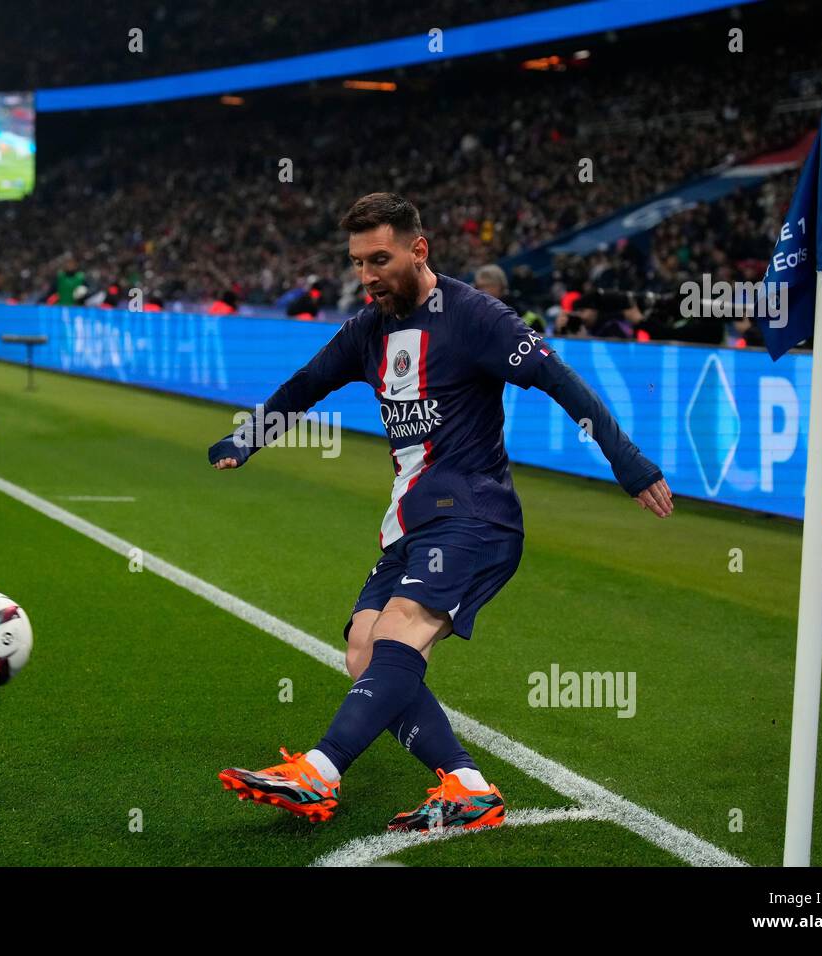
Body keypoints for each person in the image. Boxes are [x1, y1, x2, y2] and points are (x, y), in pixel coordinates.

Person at [208, 193, 672, 832]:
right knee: (363, 652)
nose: (367, 276)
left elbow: (560, 378)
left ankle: (319, 770)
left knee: (400, 628)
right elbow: (304, 385)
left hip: (475, 513)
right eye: (357, 263)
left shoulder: (476, 316)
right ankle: (467, 785)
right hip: (411, 520)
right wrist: (248, 437)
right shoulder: (368, 328)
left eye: (379, 259)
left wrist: (629, 463)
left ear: (418, 249)